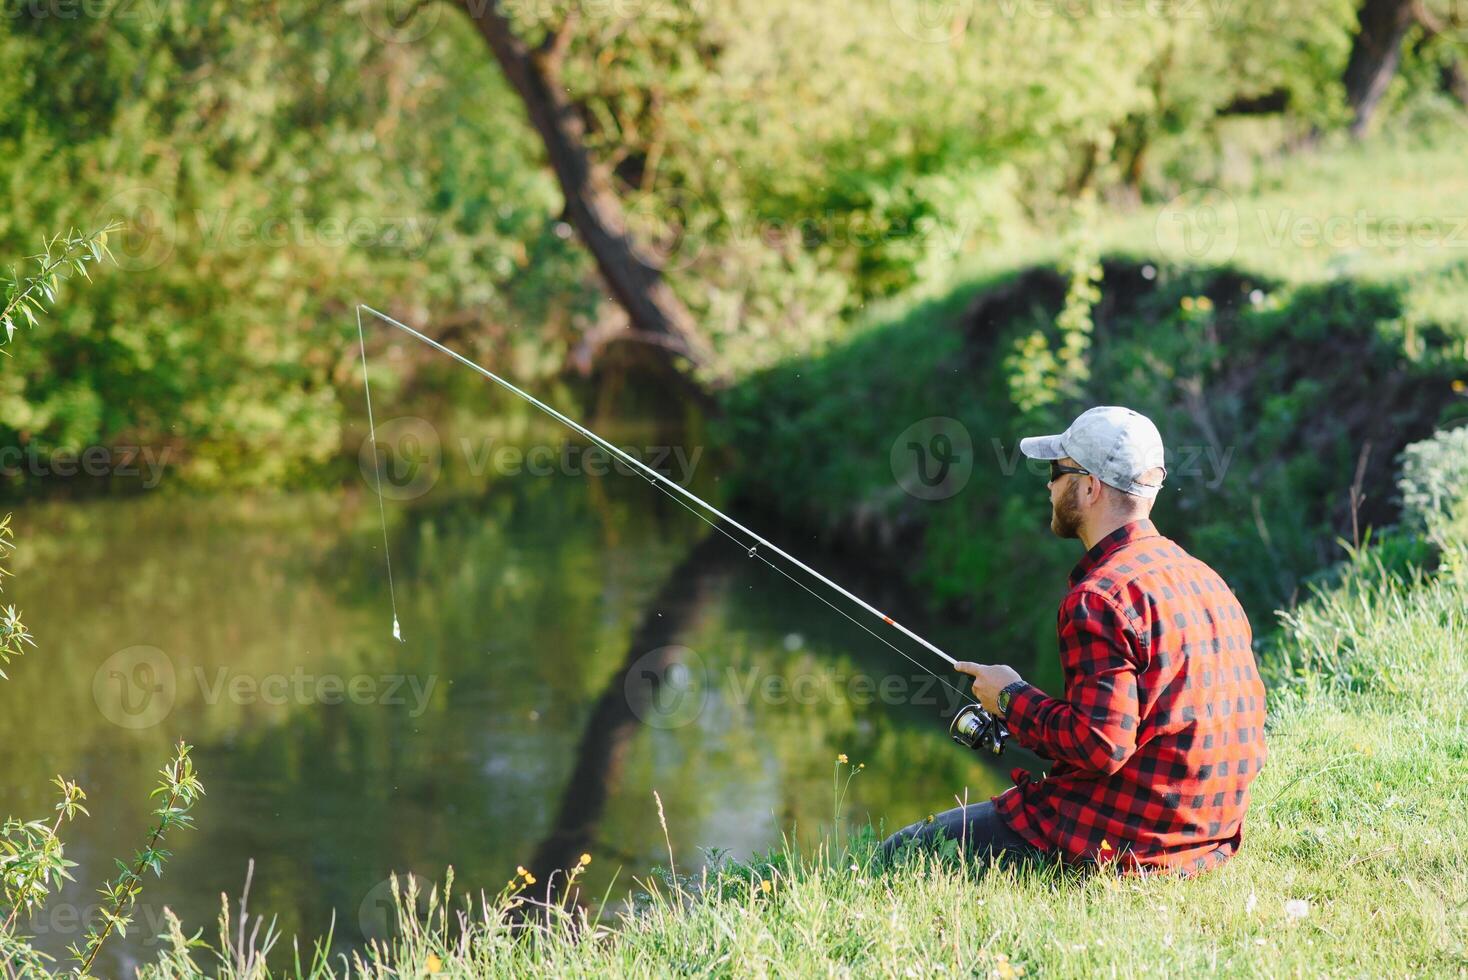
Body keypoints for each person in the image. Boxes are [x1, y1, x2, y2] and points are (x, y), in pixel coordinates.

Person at [882, 406, 1268, 875]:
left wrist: (1010, 698)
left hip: (1129, 842)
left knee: (899, 854)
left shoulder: (1100, 598)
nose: (1048, 486)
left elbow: (1100, 745)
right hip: (1206, 838)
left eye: (1056, 472)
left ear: (1089, 487)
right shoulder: (1203, 577)